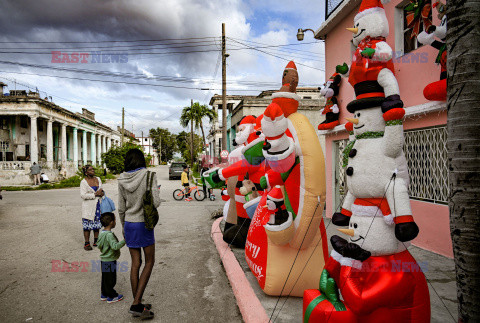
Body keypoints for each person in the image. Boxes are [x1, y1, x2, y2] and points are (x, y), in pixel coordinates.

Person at [118, 149, 160, 319]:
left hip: (129, 223)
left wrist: (123, 227)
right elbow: (156, 202)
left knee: (136, 263)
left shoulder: (121, 179)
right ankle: (136, 304)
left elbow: (121, 207)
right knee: (150, 261)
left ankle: (138, 303)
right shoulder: (149, 176)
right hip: (144, 224)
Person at [97, 212, 125, 304]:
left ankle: (104, 294)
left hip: (104, 260)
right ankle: (111, 296)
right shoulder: (109, 235)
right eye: (115, 220)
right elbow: (115, 246)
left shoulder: (102, 233)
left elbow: (99, 245)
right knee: (111, 279)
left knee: (105, 278)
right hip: (110, 260)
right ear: (112, 222)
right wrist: (124, 241)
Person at [80, 165, 104, 251]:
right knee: (87, 224)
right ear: (86, 172)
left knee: (96, 224)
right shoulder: (84, 182)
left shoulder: (98, 179)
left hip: (97, 204)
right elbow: (83, 195)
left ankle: (96, 241)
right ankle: (87, 243)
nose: (93, 170)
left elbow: (101, 189)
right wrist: (94, 195)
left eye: (93, 169)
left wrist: (102, 193)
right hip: (88, 206)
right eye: (90, 170)